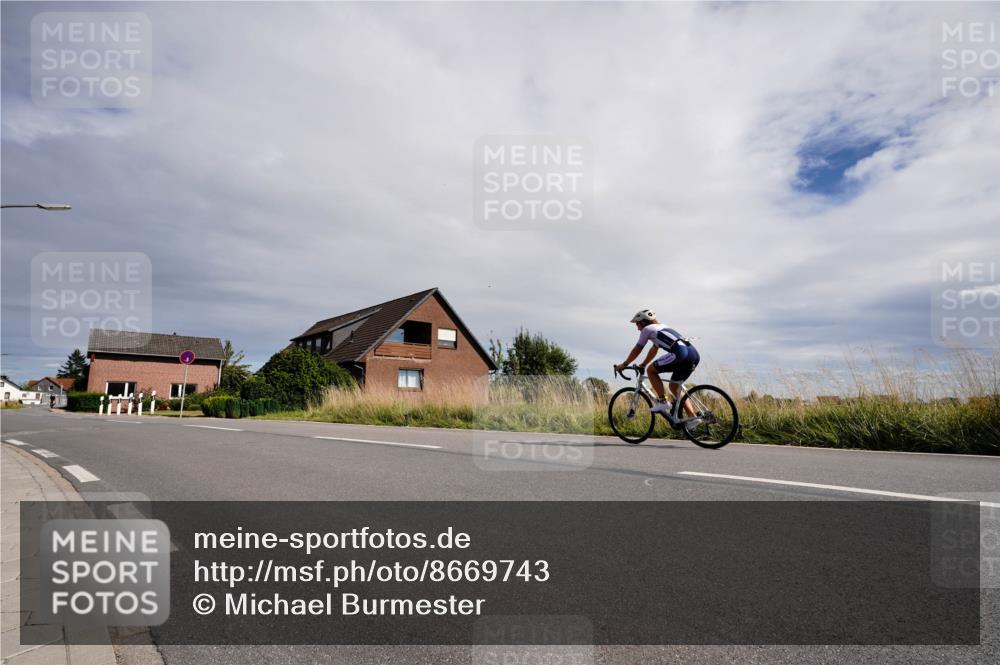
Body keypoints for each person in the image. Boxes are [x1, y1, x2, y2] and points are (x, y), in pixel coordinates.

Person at [614, 309, 700, 418]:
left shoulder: (647, 329)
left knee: (651, 370)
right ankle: (693, 417)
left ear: (644, 322)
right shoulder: (662, 327)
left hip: (680, 354)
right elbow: (653, 350)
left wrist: (624, 364)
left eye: (638, 324)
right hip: (694, 355)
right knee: (674, 387)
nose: (637, 328)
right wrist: (643, 364)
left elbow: (637, 349)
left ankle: (663, 402)